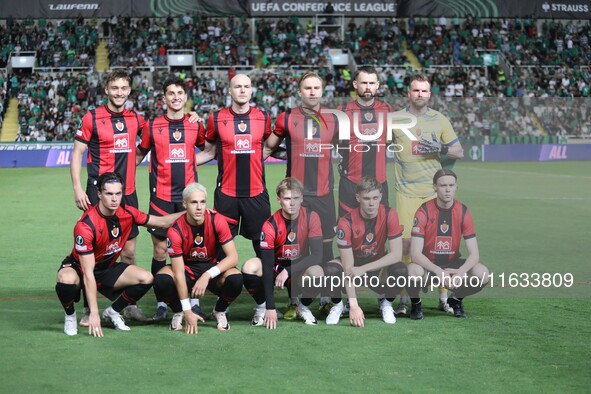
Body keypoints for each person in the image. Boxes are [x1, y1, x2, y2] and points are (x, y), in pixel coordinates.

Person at [55, 172, 184, 336]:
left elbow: (160, 222)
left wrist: (190, 213)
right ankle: (70, 316)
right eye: (109, 193)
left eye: (118, 193)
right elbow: (88, 273)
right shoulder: (86, 225)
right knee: (65, 279)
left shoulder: (128, 213)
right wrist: (93, 313)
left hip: (105, 268)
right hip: (80, 268)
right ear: (99, 194)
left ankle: (113, 311)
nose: (114, 199)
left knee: (147, 278)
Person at [70, 69, 148, 323]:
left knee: (129, 253)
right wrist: (78, 188)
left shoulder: (136, 119)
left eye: (124, 88)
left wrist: (188, 117)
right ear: (106, 90)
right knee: (90, 254)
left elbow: (156, 134)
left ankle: (127, 306)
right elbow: (77, 154)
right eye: (115, 88)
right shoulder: (92, 117)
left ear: (129, 91)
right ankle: (86, 308)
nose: (119, 93)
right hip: (98, 193)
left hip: (128, 194)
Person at [263, 71, 338, 318]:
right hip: (295, 195)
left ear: (322, 91)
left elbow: (349, 150)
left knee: (325, 249)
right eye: (307, 88)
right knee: (293, 244)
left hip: (324, 195)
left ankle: (326, 297)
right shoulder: (287, 118)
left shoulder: (334, 119)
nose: (312, 92)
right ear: (299, 91)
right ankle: (293, 300)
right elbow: (268, 147)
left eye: (316, 88)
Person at [390, 74, 464, 315]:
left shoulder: (439, 119)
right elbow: (375, 143)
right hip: (406, 194)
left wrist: (439, 148)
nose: (419, 94)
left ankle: (443, 297)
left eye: (424, 91)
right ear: (408, 93)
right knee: (404, 248)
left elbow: (458, 151)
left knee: (440, 247)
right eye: (415, 90)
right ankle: (404, 300)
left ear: (429, 94)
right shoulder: (396, 120)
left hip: (434, 197)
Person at [136, 77, 205, 321]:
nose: (175, 97)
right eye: (170, 93)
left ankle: (192, 300)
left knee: (192, 248)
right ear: (163, 98)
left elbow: (210, 149)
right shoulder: (152, 126)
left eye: (179, 93)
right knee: (159, 250)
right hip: (161, 198)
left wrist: (193, 162)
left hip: (188, 198)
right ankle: (162, 301)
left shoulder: (196, 125)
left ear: (186, 98)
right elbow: (138, 154)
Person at [197, 74, 272, 258]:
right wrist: (183, 162)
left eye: (246, 86)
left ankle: (266, 284)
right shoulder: (216, 118)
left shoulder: (263, 117)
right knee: (221, 248)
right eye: (238, 86)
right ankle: (223, 282)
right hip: (226, 195)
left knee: (264, 247)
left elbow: (269, 147)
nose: (243, 90)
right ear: (230, 90)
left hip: (256, 193)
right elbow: (209, 152)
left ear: (252, 90)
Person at [152, 183, 242, 333]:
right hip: (187, 269)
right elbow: (179, 272)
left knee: (236, 279)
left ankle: (219, 311)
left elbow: (233, 258)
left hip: (211, 267)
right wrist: (187, 309)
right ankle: (179, 311)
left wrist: (207, 275)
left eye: (202, 202)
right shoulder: (175, 230)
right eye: (194, 202)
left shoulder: (217, 220)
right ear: (184, 204)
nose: (199, 207)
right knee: (161, 280)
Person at [325, 177, 408, 327]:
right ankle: (338, 305)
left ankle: (386, 303)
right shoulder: (346, 222)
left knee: (401, 269)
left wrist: (363, 269)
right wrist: (355, 305)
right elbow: (349, 268)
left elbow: (396, 254)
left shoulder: (390, 214)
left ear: (381, 197)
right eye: (366, 198)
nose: (371, 203)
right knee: (331, 270)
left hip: (377, 270)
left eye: (375, 198)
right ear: (358, 198)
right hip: (353, 269)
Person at [406, 169, 489, 319]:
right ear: (435, 187)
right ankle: (416, 304)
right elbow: (415, 253)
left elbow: (474, 254)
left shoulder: (463, 211)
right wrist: (438, 271)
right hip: (429, 267)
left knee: (482, 273)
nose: (448, 189)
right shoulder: (423, 211)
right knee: (412, 271)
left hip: (452, 265)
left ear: (456, 186)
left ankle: (456, 300)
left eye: (451, 185)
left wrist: (461, 271)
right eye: (443, 185)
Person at [242, 177, 324, 328]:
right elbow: (266, 267)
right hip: (274, 269)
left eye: (296, 198)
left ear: (302, 199)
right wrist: (270, 307)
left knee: (317, 272)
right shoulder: (270, 225)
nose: (292, 203)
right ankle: (262, 306)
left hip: (298, 269)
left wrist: (289, 270)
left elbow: (317, 255)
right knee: (249, 266)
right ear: (279, 200)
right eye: (287, 198)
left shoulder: (312, 217)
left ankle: (303, 308)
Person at [337, 66, 394, 218]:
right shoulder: (342, 111)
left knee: (378, 234)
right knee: (347, 233)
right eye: (364, 83)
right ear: (355, 84)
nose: (368, 87)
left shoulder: (387, 109)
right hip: (351, 183)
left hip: (379, 183)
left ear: (377, 85)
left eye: (371, 83)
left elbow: (390, 139)